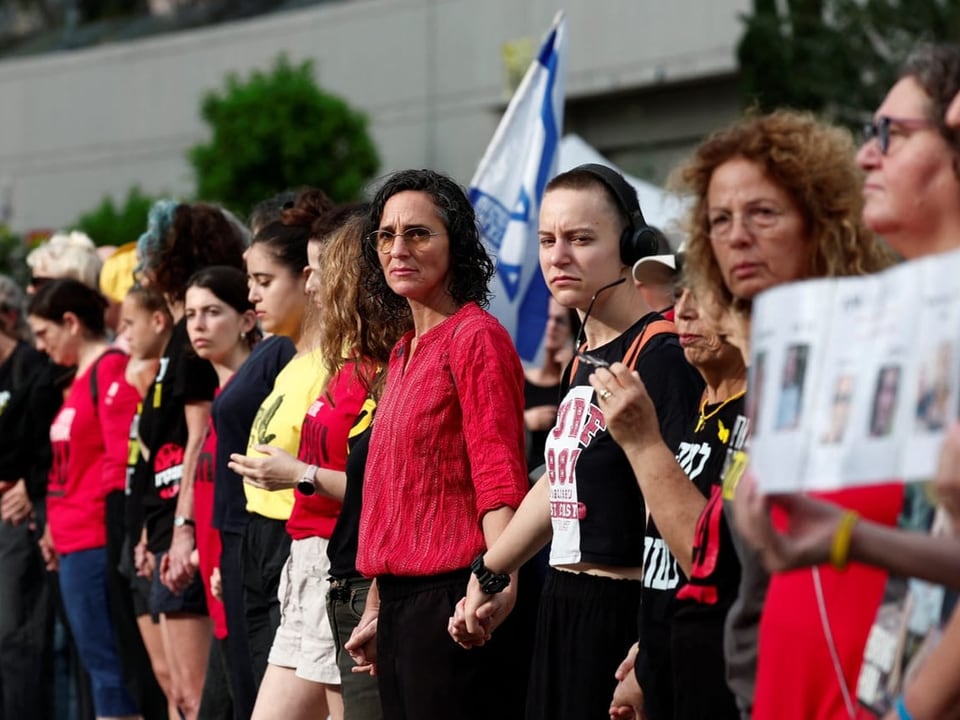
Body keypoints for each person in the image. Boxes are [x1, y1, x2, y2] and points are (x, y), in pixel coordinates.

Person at [734, 44, 960, 720]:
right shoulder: (917, 322)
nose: (869, 155)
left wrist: (912, 707)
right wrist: (846, 537)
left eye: (891, 134)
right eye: (719, 218)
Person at [454, 164, 703, 720]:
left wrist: (648, 647)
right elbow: (558, 482)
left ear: (631, 247)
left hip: (624, 616)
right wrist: (491, 570)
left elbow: (683, 513)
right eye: (547, 240)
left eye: (581, 239)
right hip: (563, 605)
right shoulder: (585, 358)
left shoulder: (662, 356)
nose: (558, 256)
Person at [674, 109, 895, 720]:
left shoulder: (884, 346)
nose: (737, 236)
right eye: (719, 220)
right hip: (777, 692)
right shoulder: (774, 369)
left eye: (762, 213)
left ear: (820, 221)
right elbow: (760, 575)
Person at [342, 168, 530, 720]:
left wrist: (499, 584)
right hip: (400, 607)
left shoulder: (476, 337)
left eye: (419, 233)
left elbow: (498, 476)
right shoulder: (402, 351)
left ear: (458, 245)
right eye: (386, 234)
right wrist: (377, 606)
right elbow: (391, 494)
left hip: (455, 598)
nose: (398, 248)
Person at [231, 206, 408, 720]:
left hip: (343, 565)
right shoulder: (340, 363)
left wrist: (298, 475)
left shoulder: (379, 366)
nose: (309, 286)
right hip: (306, 564)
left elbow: (379, 484)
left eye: (318, 270)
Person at [595, 276, 747, 720]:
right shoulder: (701, 403)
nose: (684, 310)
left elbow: (711, 562)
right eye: (680, 293)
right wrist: (650, 649)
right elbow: (668, 559)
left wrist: (642, 443)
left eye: (707, 294)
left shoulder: (756, 415)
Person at [135, 200, 247, 720]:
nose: (142, 269)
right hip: (162, 521)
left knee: (196, 695)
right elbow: (157, 449)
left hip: (187, 521)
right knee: (177, 689)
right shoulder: (180, 338)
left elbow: (200, 439)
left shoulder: (189, 341)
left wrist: (180, 527)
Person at [28, 279, 143, 720]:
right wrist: (55, 527)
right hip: (72, 541)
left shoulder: (109, 368)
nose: (41, 346)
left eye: (45, 333)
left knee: (110, 668)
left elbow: (118, 464)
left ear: (71, 323)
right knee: (98, 667)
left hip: (95, 541)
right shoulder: (79, 376)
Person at [238, 188, 334, 703]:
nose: (251, 296)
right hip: (263, 540)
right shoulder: (289, 361)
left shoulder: (331, 365)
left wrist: (293, 473)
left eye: (263, 281)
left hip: (296, 539)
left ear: (306, 279)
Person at [184, 266, 259, 720]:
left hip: (243, 587)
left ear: (247, 320)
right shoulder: (217, 399)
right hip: (218, 590)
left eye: (213, 312)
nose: (198, 324)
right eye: (191, 313)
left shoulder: (253, 397)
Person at [118, 283, 180, 720]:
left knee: (182, 683)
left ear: (159, 320)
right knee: (162, 673)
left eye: (128, 323)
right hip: (141, 529)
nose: (122, 334)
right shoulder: (147, 377)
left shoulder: (173, 376)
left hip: (166, 531)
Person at [0, 274, 57, 719]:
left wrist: (28, 485)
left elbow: (47, 444)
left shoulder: (32, 368)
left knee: (16, 637)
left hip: (17, 523)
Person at [523, 297, 574, 473]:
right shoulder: (515, 378)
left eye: (560, 321)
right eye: (546, 318)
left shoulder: (574, 379)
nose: (551, 326)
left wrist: (569, 372)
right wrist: (525, 422)